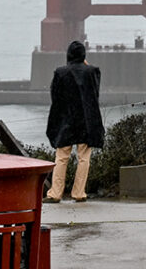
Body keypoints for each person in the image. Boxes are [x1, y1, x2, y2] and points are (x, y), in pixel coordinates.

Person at [45, 39, 103, 202]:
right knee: (84, 157)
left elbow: (55, 97)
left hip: (65, 120)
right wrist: (85, 64)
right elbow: (95, 93)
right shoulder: (93, 71)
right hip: (86, 120)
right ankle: (79, 193)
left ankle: (55, 193)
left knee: (62, 157)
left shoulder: (60, 72)